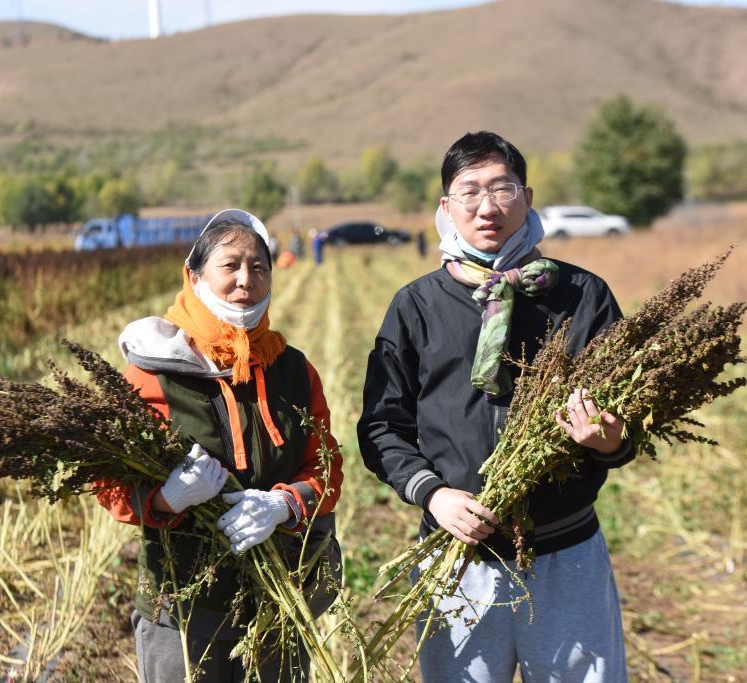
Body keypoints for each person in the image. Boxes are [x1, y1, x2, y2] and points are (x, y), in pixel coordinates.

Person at [358, 131, 633, 683]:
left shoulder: (582, 296)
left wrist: (606, 439)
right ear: (446, 207)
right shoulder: (417, 306)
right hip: (458, 559)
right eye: (470, 192)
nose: (487, 207)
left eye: (502, 188)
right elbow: (382, 427)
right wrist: (431, 495)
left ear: (527, 199)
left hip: (566, 553)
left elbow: (632, 418)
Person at [96, 209, 343, 682]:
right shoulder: (152, 372)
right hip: (185, 606)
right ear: (195, 275)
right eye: (230, 265)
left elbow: (326, 470)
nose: (245, 279)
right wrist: (169, 498)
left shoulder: (292, 369)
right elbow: (109, 485)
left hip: (279, 599)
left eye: (258, 266)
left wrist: (282, 505)